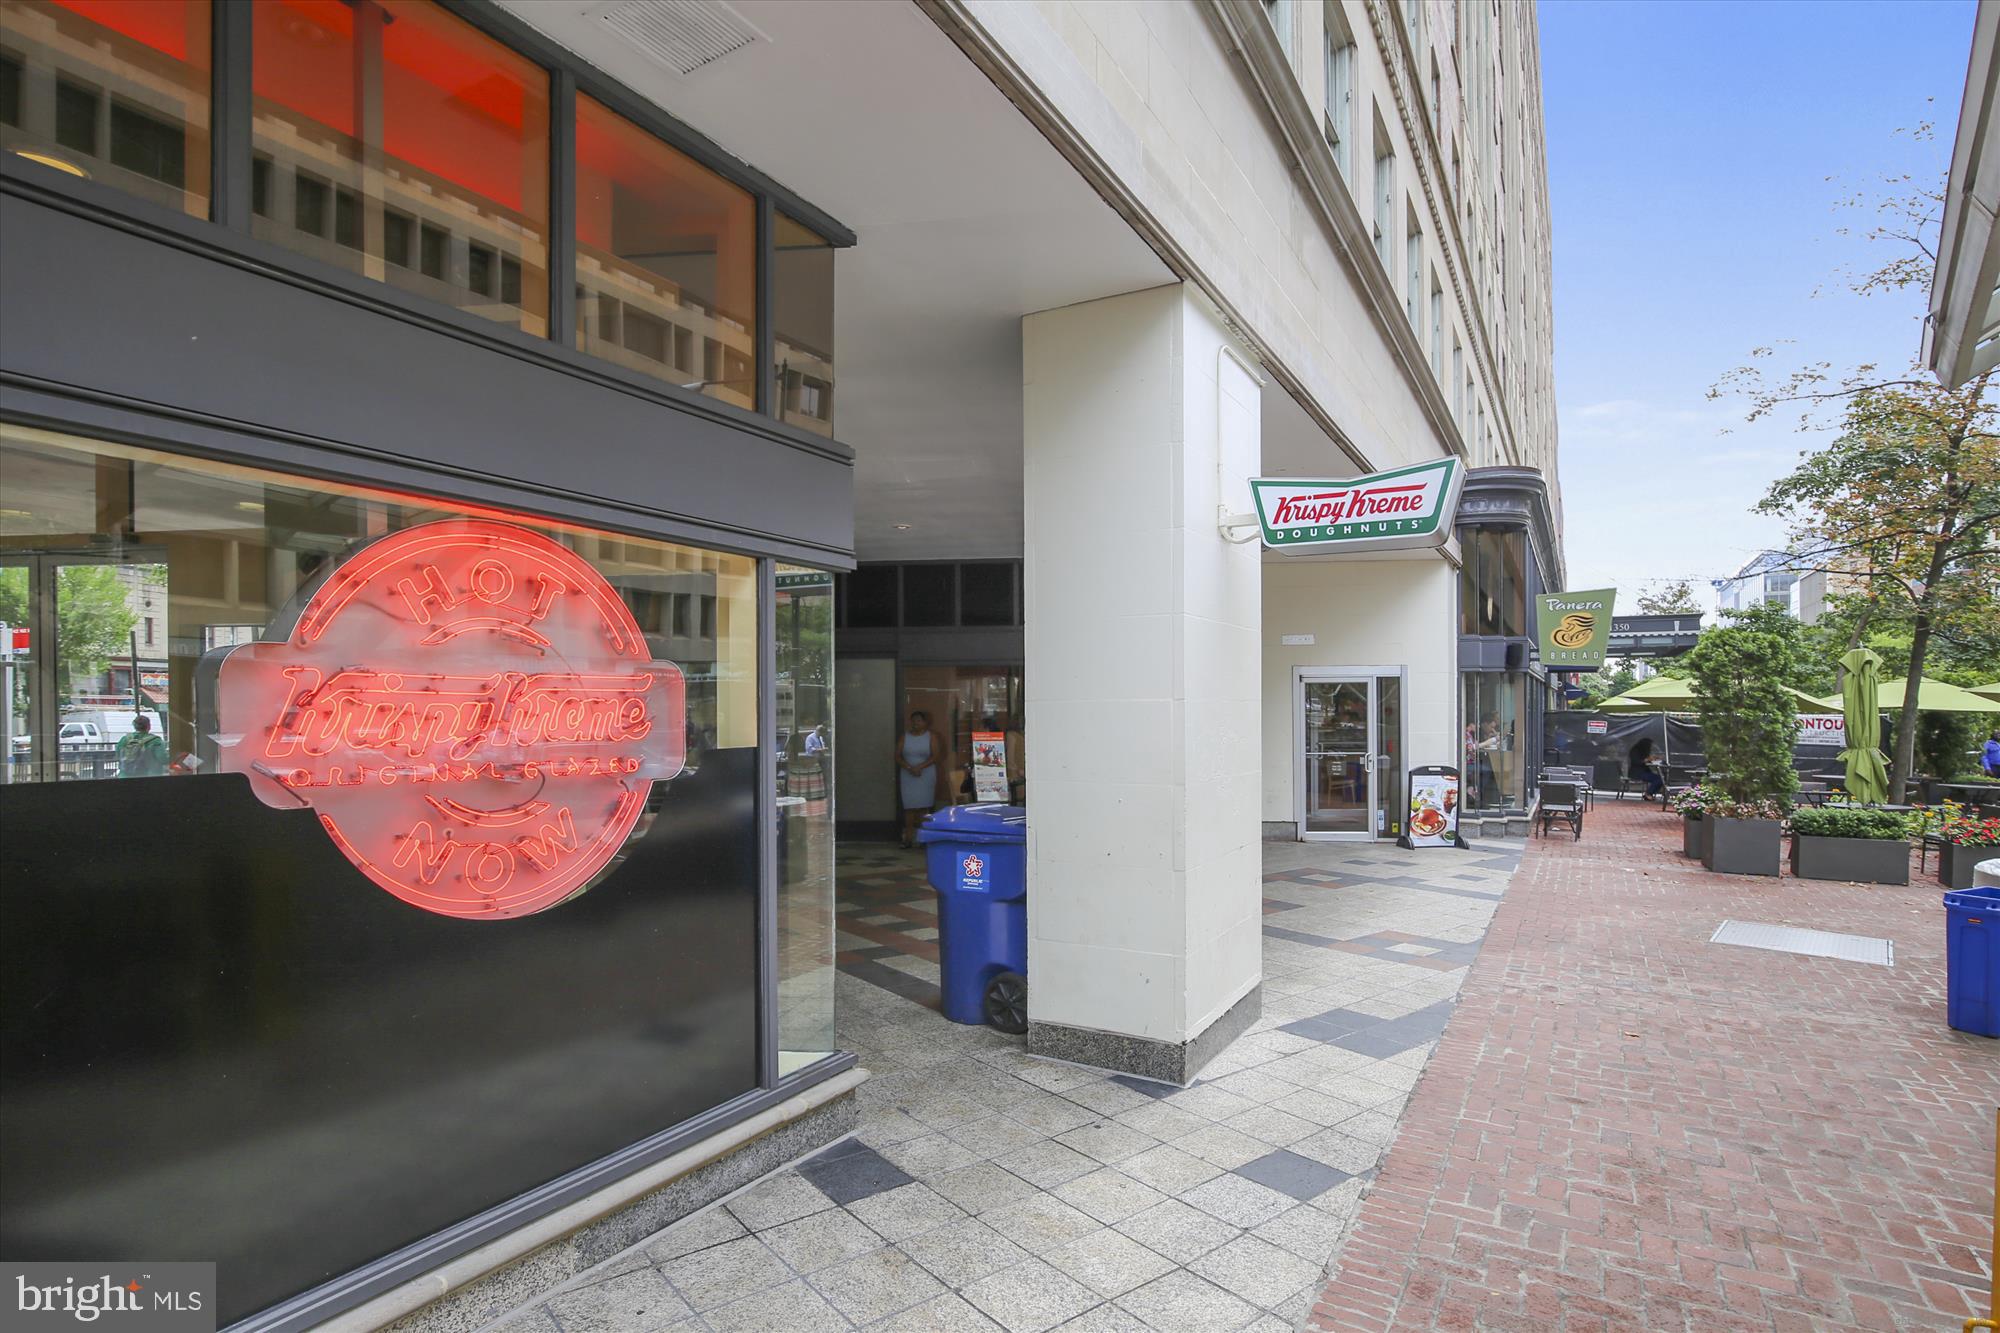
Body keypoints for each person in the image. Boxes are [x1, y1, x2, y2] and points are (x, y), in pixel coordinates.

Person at [896, 710, 942, 848]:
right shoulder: (905, 737)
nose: (916, 723)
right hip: (908, 774)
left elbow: (935, 756)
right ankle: (908, 838)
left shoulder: (931, 736)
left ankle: (923, 839)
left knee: (923, 808)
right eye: (913, 720)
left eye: (919, 721)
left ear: (925, 722)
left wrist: (920, 767)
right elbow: (897, 756)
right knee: (909, 807)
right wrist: (910, 767)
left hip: (925, 774)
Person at [116, 713, 168, 778]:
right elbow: (163, 759)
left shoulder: (124, 739)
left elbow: (118, 755)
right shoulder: (155, 741)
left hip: (125, 777)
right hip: (149, 778)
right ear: (149, 726)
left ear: (134, 726)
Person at [1627, 736, 1664, 800]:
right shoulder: (1635, 751)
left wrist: (1653, 759)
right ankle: (1648, 793)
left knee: (1661, 779)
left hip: (1644, 771)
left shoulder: (1643, 751)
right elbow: (1636, 762)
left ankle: (1650, 794)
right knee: (1659, 779)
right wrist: (1647, 760)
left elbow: (1645, 761)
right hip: (1637, 773)